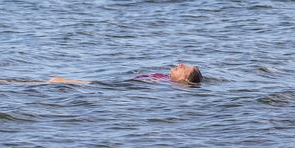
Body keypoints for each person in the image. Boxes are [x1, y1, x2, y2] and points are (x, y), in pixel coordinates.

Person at [41, 64, 203, 85]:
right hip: (123, 81)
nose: (181, 64)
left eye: (185, 69)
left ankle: (59, 81)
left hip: (119, 86)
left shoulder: (165, 84)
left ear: (183, 81)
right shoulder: (165, 78)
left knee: (90, 83)